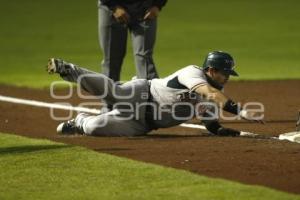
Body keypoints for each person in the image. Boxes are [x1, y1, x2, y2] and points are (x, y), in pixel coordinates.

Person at [46, 51, 264, 137]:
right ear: (211, 70)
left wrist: (224, 131)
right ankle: (68, 70)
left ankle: (80, 121)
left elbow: (209, 119)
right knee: (114, 91)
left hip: (142, 125)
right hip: (141, 94)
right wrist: (239, 110)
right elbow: (208, 93)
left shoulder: (215, 92)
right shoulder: (193, 73)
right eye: (225, 73)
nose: (228, 77)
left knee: (94, 128)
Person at [98, 0, 168, 82]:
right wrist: (114, 7)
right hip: (112, 8)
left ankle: (150, 93)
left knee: (144, 57)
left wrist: (157, 5)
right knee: (111, 57)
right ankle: (108, 92)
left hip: (146, 9)